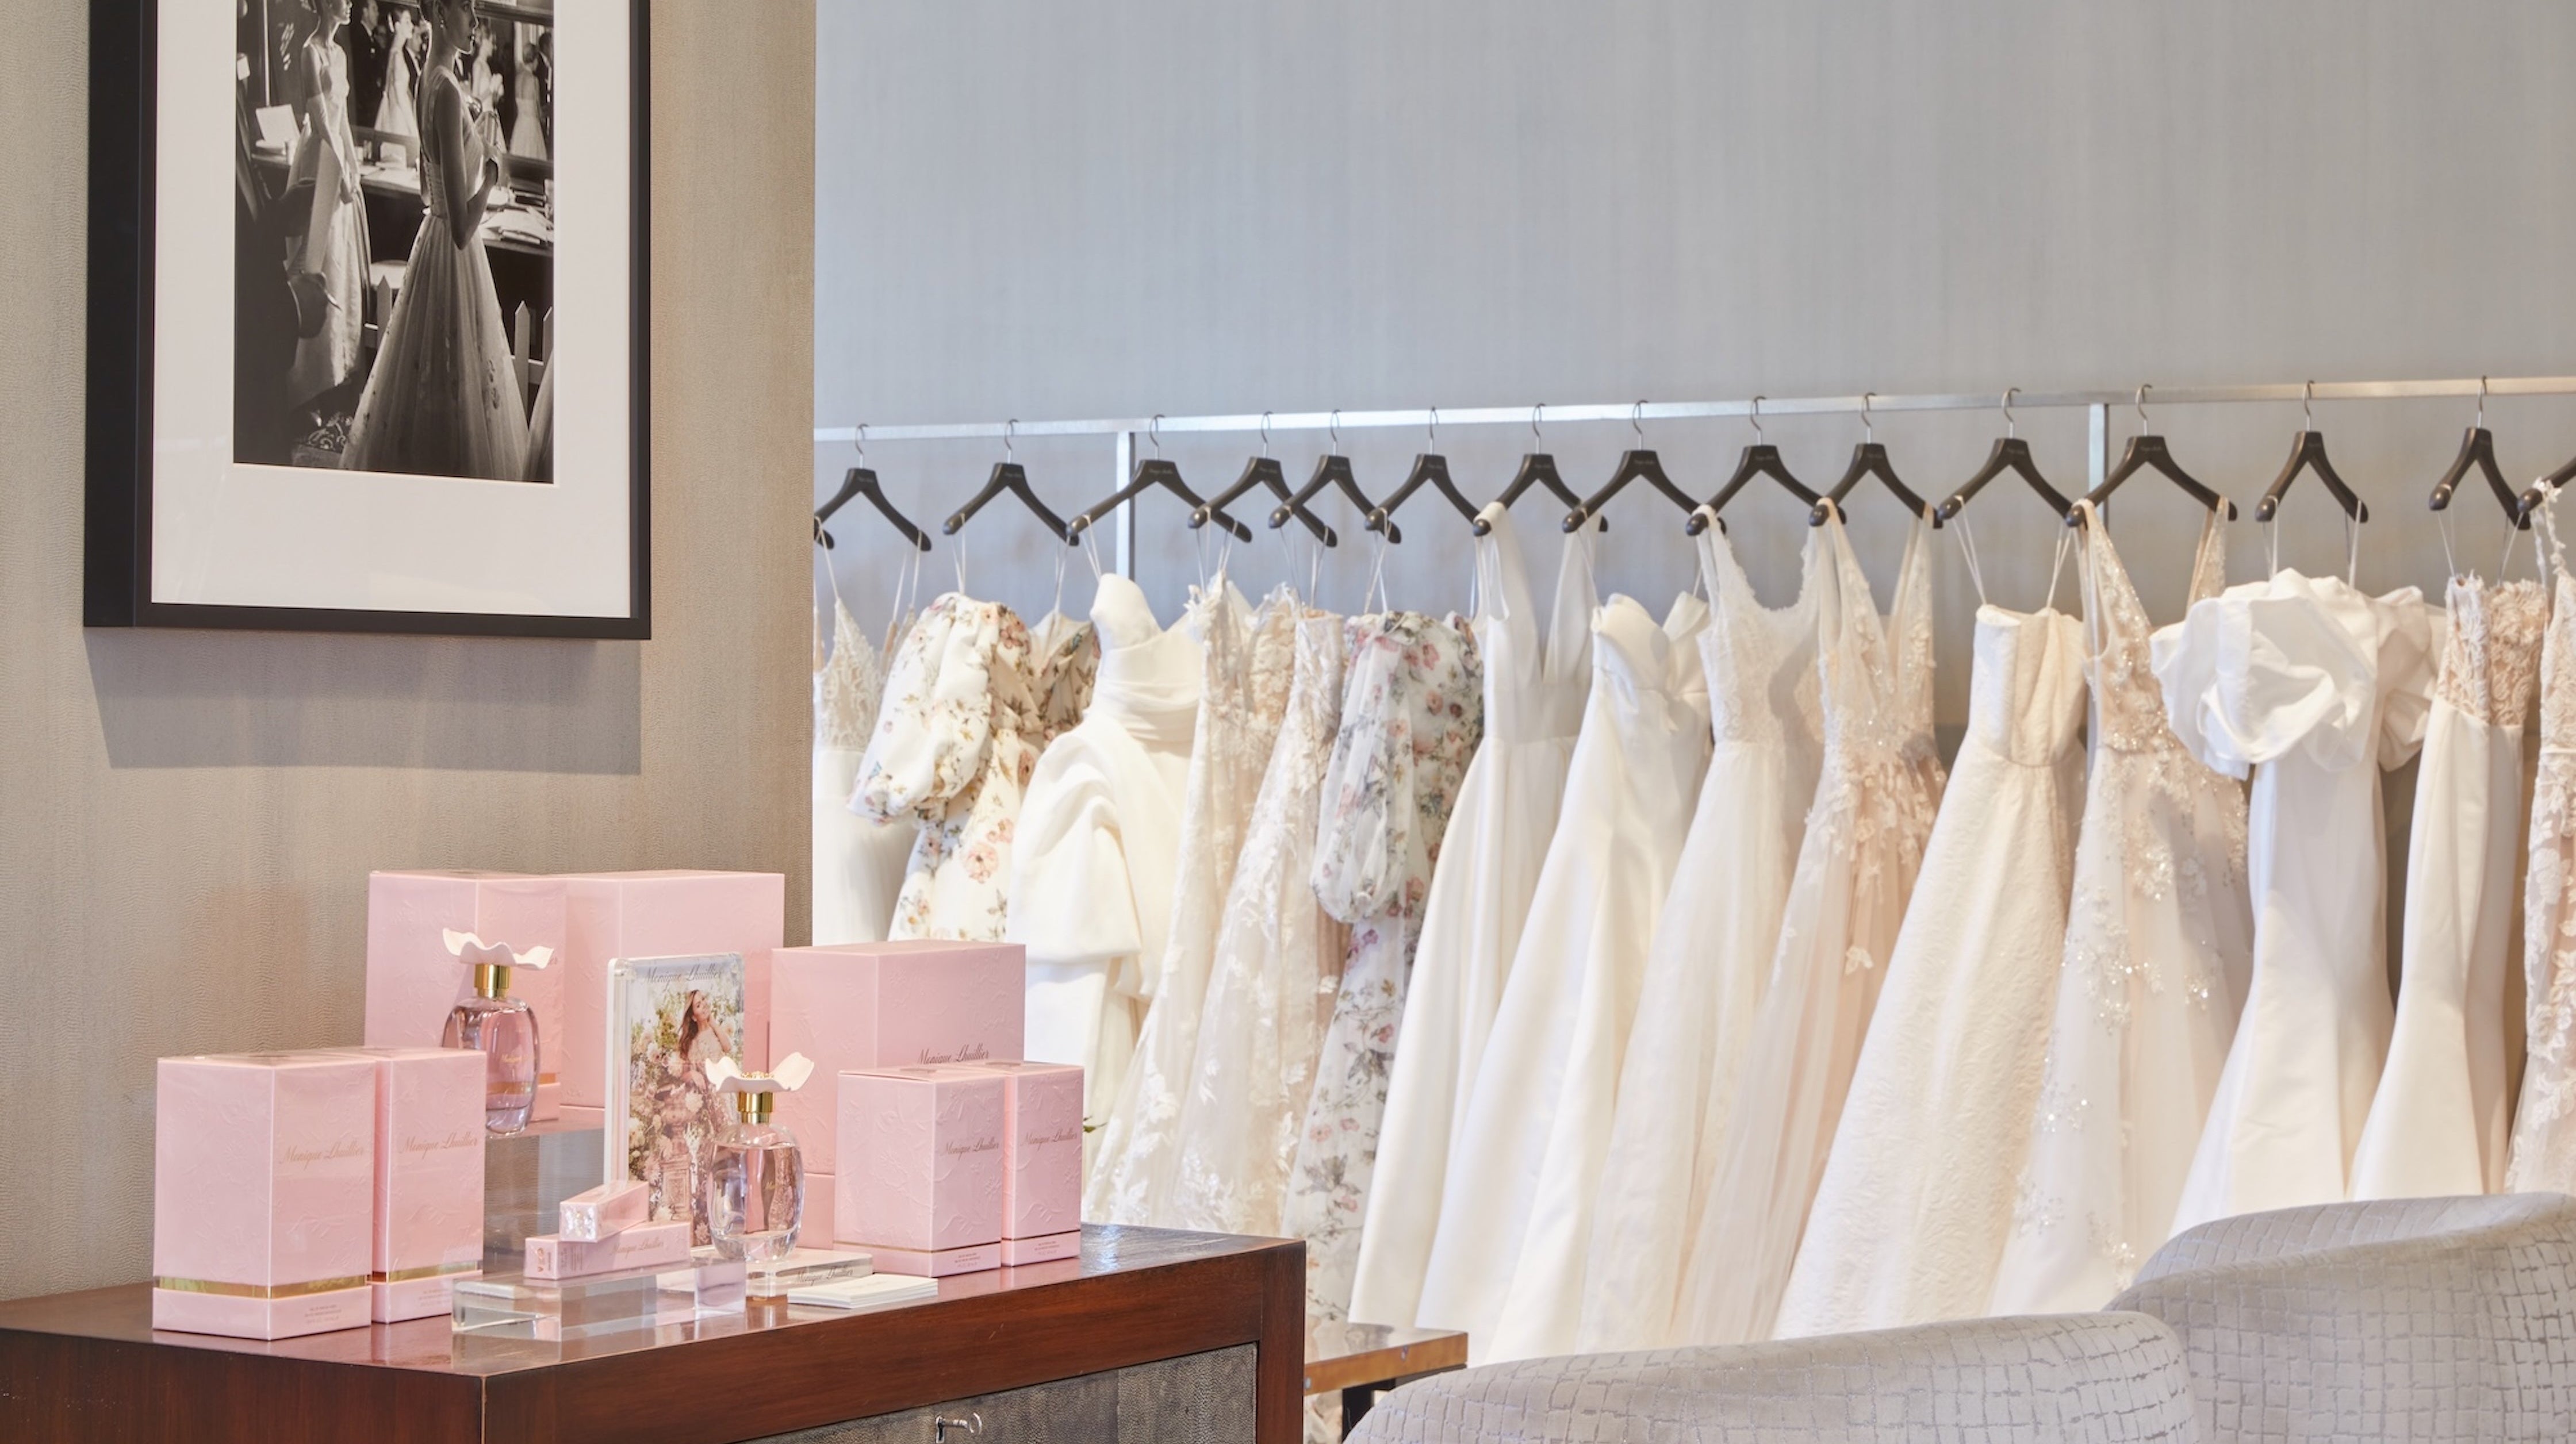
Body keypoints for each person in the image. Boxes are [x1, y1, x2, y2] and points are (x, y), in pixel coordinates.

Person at [342, 0, 531, 480]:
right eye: (468, 10)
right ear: (443, 14)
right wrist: (488, 173)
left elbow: (428, 191)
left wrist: (463, 141)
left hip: (432, 237)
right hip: (453, 248)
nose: (475, 22)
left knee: (431, 372)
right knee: (458, 377)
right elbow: (467, 232)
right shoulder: (446, 90)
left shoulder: (431, 79)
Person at [283, 0, 371, 426]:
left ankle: (333, 376)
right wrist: (338, 177)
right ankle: (303, 390)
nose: (350, 3)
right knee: (313, 260)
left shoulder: (339, 54)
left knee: (338, 268)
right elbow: (321, 123)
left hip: (337, 160)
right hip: (318, 164)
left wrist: (353, 170)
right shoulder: (311, 52)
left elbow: (343, 122)